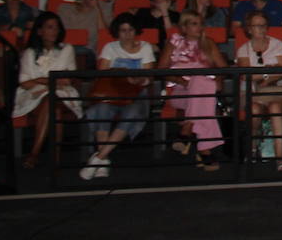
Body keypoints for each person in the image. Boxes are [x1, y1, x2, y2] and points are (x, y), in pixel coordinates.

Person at [79, 12, 156, 180]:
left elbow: (149, 77)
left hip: (136, 93)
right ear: (117, 32)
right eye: (123, 30)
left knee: (133, 112)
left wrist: (137, 80)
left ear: (136, 31)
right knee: (101, 109)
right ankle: (103, 159)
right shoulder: (110, 48)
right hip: (112, 91)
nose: (127, 34)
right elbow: (103, 74)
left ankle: (99, 158)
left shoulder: (145, 47)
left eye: (130, 30)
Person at [156, 10, 228, 171]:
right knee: (198, 81)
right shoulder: (173, 42)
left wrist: (218, 79)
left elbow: (224, 69)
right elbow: (160, 70)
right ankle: (201, 144)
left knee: (200, 81)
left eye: (201, 24)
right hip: (180, 91)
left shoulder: (208, 43)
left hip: (206, 92)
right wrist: (182, 81)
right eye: (194, 24)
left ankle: (191, 133)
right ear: (184, 26)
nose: (199, 27)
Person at [13, 12, 83, 168]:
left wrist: (39, 80)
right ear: (39, 31)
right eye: (49, 27)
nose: (54, 31)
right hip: (34, 96)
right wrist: (52, 81)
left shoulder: (67, 49)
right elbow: (24, 83)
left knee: (52, 101)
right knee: (53, 107)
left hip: (63, 93)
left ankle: (34, 153)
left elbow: (68, 79)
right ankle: (54, 159)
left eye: (56, 28)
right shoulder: (29, 53)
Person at [235, 11, 282, 171]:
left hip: (276, 91)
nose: (261, 29)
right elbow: (246, 76)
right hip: (252, 93)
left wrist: (264, 77)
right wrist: (269, 72)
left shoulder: (277, 44)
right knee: (254, 110)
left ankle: (280, 155)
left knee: (274, 108)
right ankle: (252, 146)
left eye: (263, 25)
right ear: (249, 28)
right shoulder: (243, 49)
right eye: (257, 26)